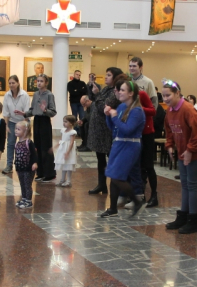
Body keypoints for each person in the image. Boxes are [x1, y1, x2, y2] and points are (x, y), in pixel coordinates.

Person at [163, 79, 197, 234]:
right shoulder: (170, 111)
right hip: (183, 150)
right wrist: (169, 145)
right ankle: (183, 217)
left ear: (177, 93)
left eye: (168, 95)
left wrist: (190, 150)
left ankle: (193, 221)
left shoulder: (188, 109)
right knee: (184, 184)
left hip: (195, 150)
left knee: (191, 184)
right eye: (163, 96)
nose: (165, 99)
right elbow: (169, 129)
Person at [100, 79, 146, 219]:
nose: (119, 92)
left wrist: (114, 117)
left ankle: (137, 201)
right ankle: (113, 208)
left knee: (118, 177)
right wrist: (108, 116)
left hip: (130, 145)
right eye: (119, 90)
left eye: (122, 90)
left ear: (131, 93)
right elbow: (113, 127)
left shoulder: (137, 111)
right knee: (113, 175)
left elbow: (127, 129)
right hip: (119, 143)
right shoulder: (121, 107)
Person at [87, 67, 125, 195]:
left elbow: (103, 107)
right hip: (98, 129)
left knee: (111, 159)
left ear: (115, 77)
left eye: (109, 75)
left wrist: (97, 95)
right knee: (100, 159)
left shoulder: (115, 92)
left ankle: (117, 188)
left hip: (106, 130)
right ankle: (102, 184)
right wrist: (94, 92)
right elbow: (94, 101)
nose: (106, 77)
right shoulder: (105, 89)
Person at [24, 74, 57, 182]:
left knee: (46, 148)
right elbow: (32, 110)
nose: (39, 83)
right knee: (37, 147)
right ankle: (40, 172)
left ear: (46, 83)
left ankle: (50, 174)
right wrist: (24, 114)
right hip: (37, 121)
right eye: (38, 81)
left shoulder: (49, 95)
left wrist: (45, 110)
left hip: (45, 121)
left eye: (41, 81)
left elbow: (53, 112)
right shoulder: (35, 94)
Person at [1, 75, 30, 174]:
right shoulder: (7, 95)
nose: (11, 85)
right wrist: (6, 125)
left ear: (18, 83)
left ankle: (24, 164)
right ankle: (9, 165)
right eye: (9, 83)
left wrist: (24, 126)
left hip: (24, 121)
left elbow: (27, 112)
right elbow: (5, 112)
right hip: (12, 121)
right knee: (10, 143)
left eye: (13, 83)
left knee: (24, 144)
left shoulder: (24, 95)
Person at [138, 89, 159, 208]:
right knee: (140, 166)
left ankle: (154, 195)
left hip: (147, 133)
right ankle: (141, 195)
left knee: (149, 166)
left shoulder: (141, 94)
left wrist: (141, 109)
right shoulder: (125, 98)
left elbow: (153, 111)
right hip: (137, 134)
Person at [14, 121, 38, 209]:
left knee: (27, 185)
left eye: (18, 129)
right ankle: (24, 199)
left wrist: (35, 163)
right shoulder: (17, 143)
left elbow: (34, 154)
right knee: (22, 184)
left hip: (28, 168)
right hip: (20, 168)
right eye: (16, 129)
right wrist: (16, 166)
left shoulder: (29, 142)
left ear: (25, 131)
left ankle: (29, 201)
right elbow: (17, 155)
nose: (16, 130)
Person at [55, 115, 78, 187]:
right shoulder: (63, 130)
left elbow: (71, 142)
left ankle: (68, 181)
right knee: (63, 165)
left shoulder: (72, 132)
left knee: (69, 165)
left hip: (68, 150)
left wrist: (68, 152)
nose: (64, 123)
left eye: (66, 122)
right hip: (63, 149)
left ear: (71, 123)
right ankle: (62, 179)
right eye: (63, 121)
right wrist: (56, 145)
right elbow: (61, 139)